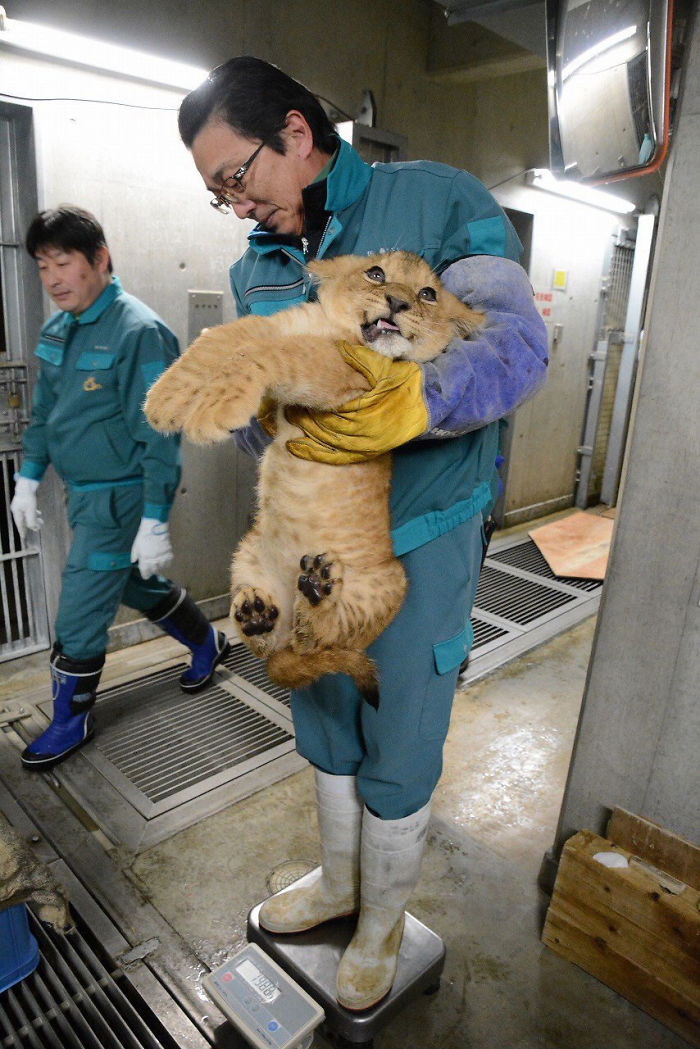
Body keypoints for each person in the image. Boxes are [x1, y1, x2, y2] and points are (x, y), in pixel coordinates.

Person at [176, 57, 549, 1011]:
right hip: (311, 535)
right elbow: (265, 405)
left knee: (403, 727)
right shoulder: (255, 264)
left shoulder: (440, 204)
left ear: (296, 136)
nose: (236, 204)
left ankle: (381, 925)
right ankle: (340, 884)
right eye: (217, 192)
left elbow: (514, 341)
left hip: (421, 528)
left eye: (237, 178)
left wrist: (413, 402)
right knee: (324, 707)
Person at [10, 206, 230, 771]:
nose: (54, 278)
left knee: (80, 609)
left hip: (121, 496)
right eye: (43, 266)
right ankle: (207, 643)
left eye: (64, 262)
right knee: (134, 583)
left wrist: (155, 519)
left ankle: (69, 719)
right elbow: (46, 414)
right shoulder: (60, 327)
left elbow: (159, 433)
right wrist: (28, 478)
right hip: (80, 493)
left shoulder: (140, 331)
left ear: (100, 260)